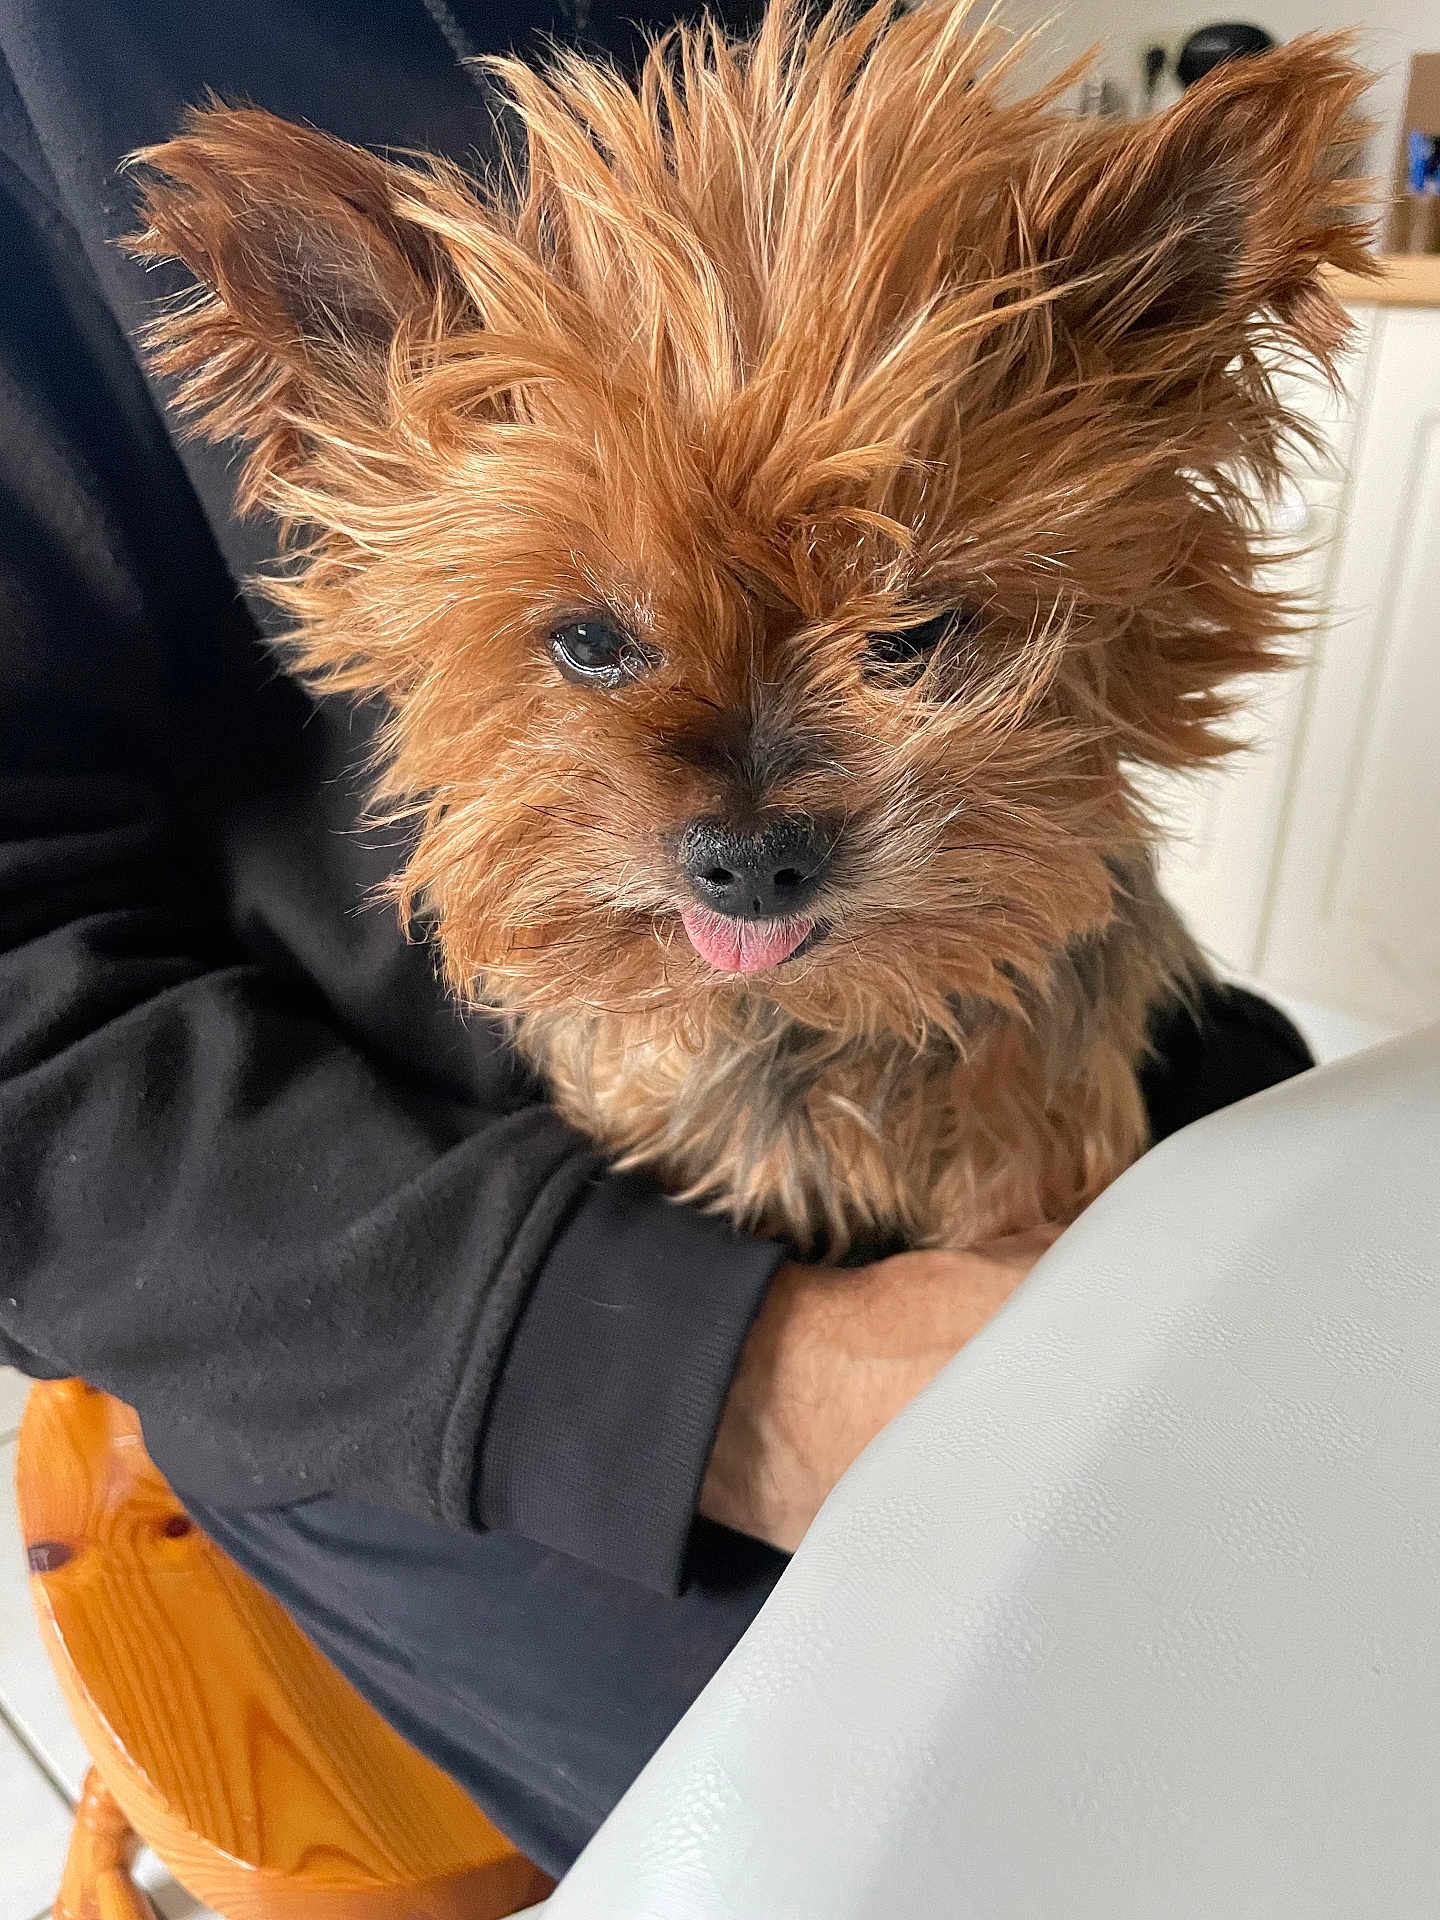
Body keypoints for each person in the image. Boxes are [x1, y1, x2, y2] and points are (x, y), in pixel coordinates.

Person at [0, 0, 1313, 1875]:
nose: (750, 834)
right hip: (403, 1249)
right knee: (1075, 1839)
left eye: (908, 637)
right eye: (597, 642)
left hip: (1058, 1021)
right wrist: (721, 1381)